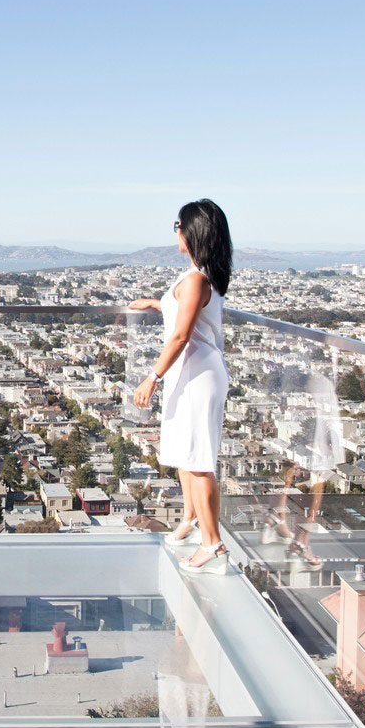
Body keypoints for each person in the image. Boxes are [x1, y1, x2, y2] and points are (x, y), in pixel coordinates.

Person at [128, 199, 232, 574]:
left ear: (192, 232)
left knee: (199, 462)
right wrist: (158, 303)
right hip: (192, 374)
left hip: (196, 377)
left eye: (178, 224)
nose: (175, 230)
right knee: (188, 457)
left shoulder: (196, 279)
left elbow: (181, 336)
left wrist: (151, 377)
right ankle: (190, 520)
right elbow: (187, 314)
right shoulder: (200, 276)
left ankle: (214, 546)